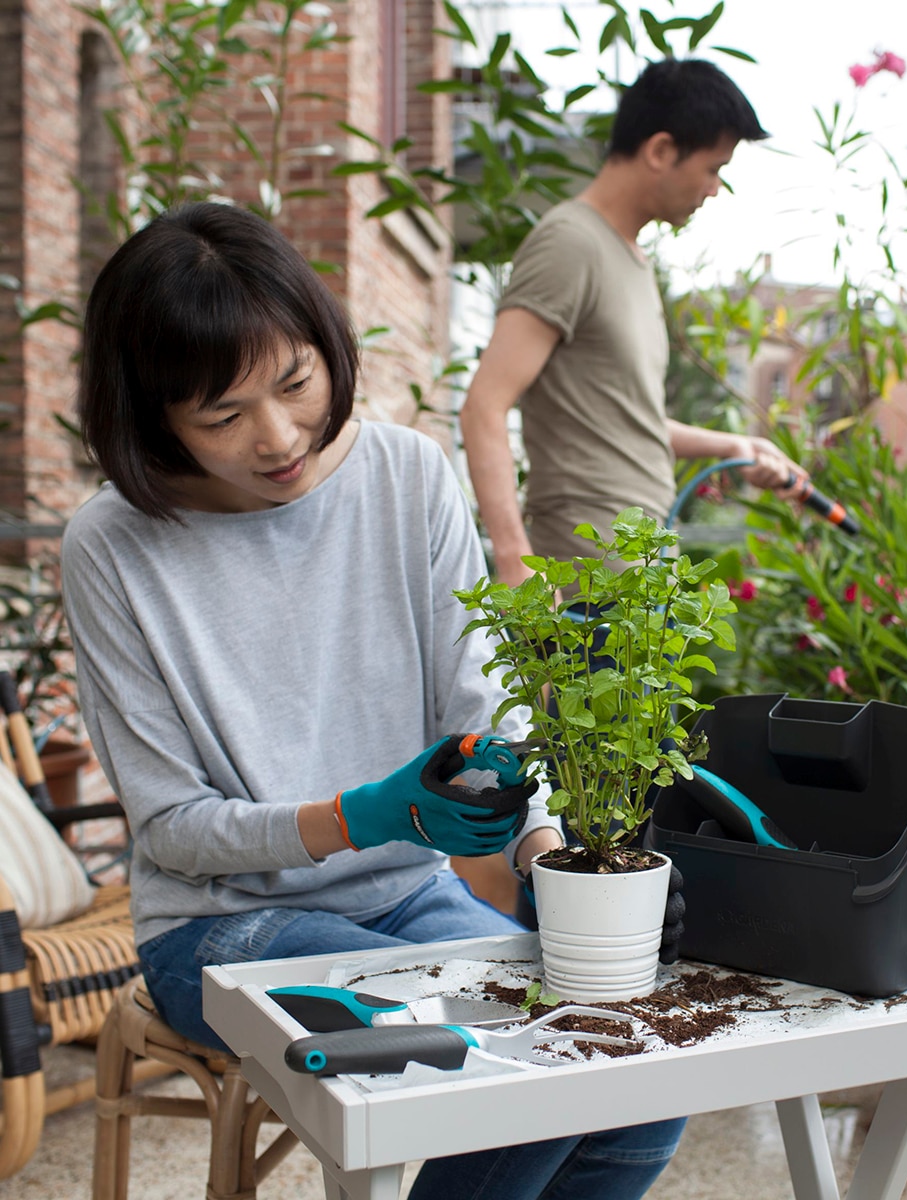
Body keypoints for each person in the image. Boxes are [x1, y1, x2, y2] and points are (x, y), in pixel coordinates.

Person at [61, 202, 686, 1200]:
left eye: (297, 383)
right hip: (219, 926)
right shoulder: (113, 547)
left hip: (406, 897)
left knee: (630, 1062)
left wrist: (547, 856)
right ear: (155, 419)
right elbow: (173, 830)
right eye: (222, 417)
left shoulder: (407, 474)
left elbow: (487, 714)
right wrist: (356, 816)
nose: (278, 438)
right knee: (487, 1058)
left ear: (326, 346)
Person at [461, 57, 811, 587]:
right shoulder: (570, 243)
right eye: (714, 168)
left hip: (640, 577)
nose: (715, 188)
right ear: (661, 150)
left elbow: (623, 418)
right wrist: (517, 570)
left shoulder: (630, 259)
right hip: (584, 582)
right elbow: (484, 406)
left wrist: (737, 446)